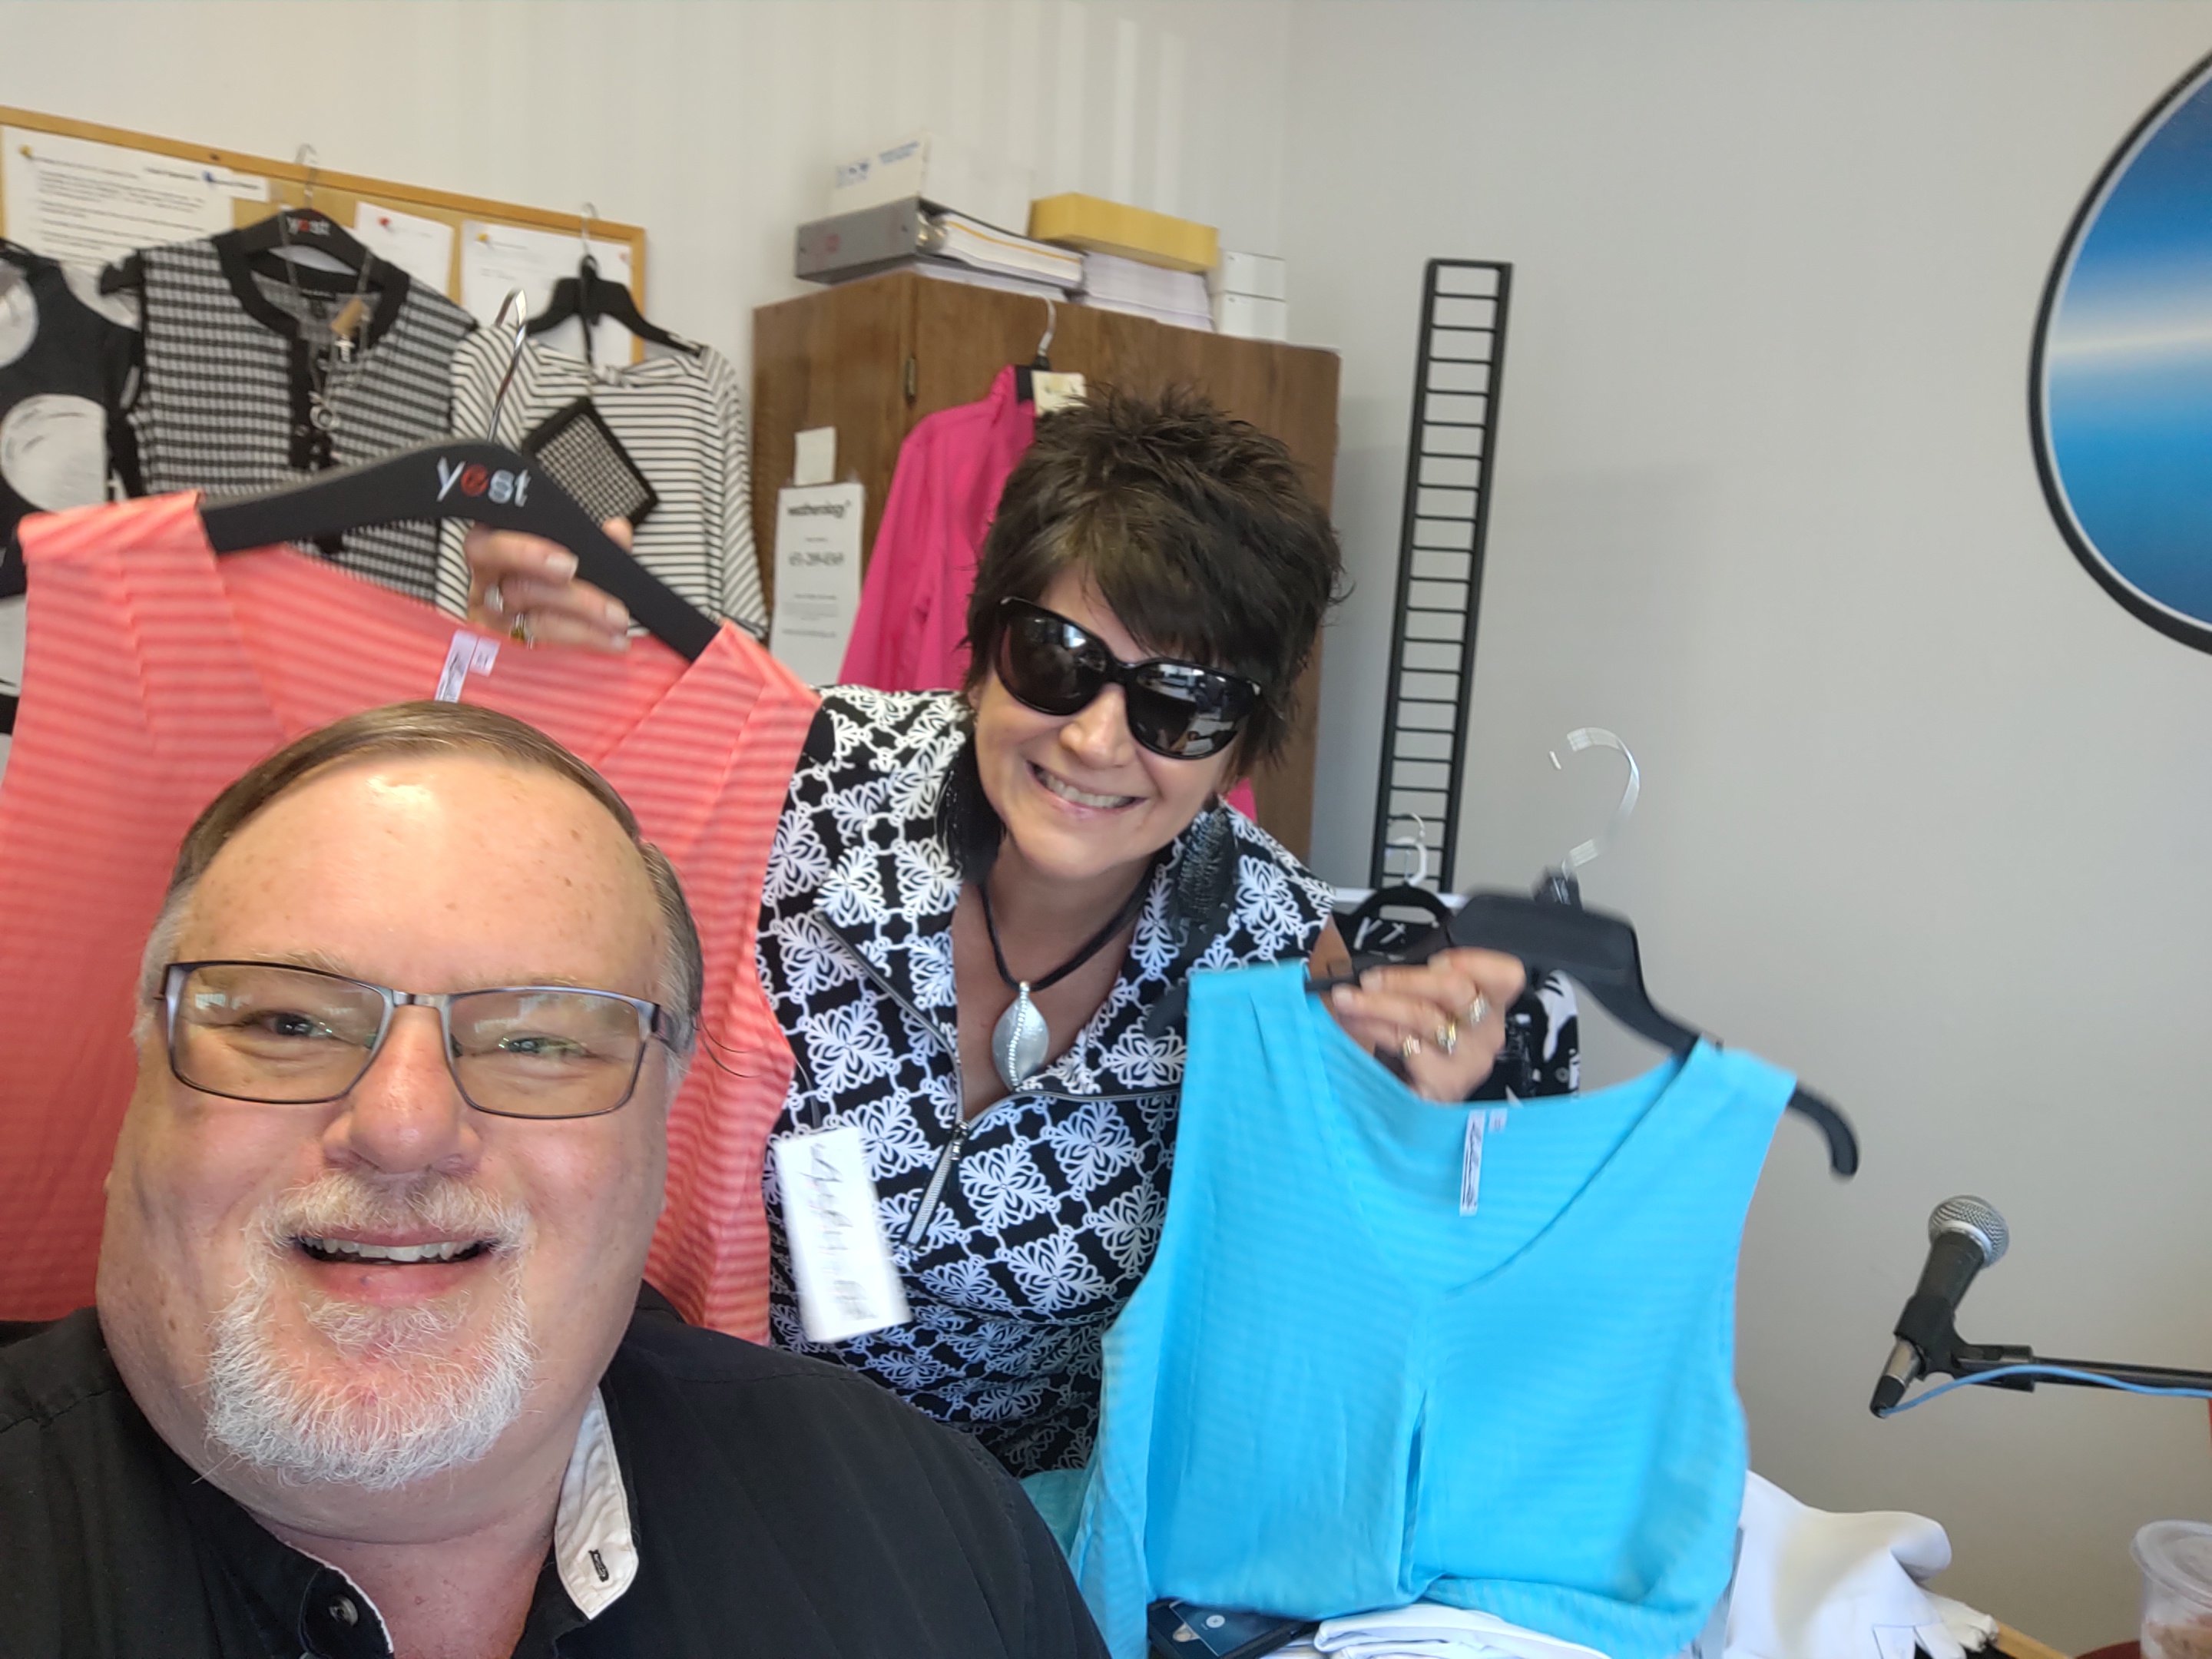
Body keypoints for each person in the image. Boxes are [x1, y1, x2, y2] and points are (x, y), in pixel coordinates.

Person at [460, 388, 1570, 1478]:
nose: (1096, 740)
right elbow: (498, 856)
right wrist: (524, 665)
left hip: (1017, 1515)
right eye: (1058, 659)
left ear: (1241, 746)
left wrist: (1414, 1143)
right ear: (985, 647)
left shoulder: (1273, 958)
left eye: (1179, 705)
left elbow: (1341, 1319)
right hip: (683, 1446)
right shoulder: (795, 784)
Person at [0, 703, 1105, 1659]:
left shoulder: (933, 1535)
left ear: (666, 1116)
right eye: (289, 1023)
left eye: (539, 1043)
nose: (401, 1128)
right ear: (142, 1054)